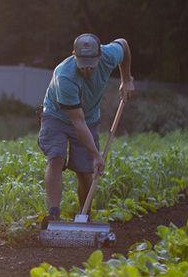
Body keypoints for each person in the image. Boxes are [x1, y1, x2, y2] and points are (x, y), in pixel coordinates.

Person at [38, 33, 134, 226]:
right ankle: (54, 213)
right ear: (74, 55)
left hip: (88, 118)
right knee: (56, 157)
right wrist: (96, 154)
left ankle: (84, 216)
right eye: (83, 63)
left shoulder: (108, 55)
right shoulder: (65, 76)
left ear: (100, 56)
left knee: (84, 169)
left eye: (91, 63)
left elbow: (123, 45)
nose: (88, 68)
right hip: (57, 116)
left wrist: (126, 78)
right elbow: (77, 122)